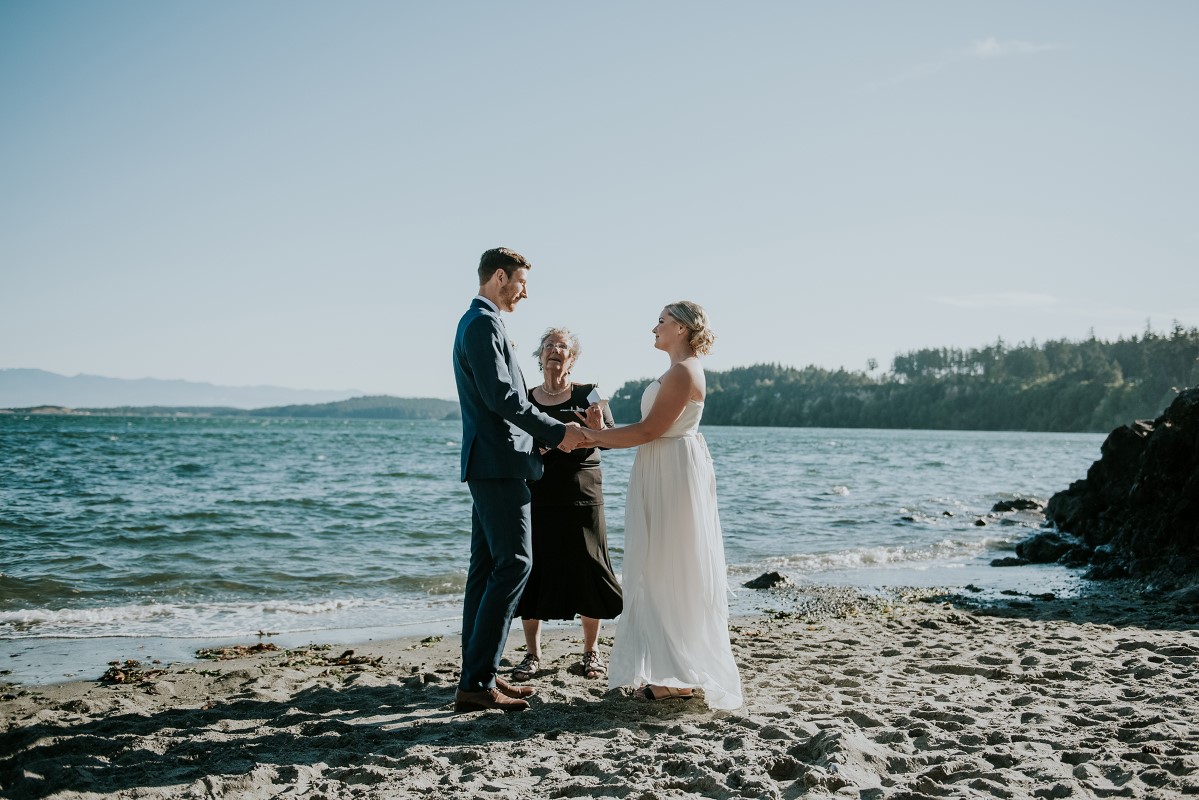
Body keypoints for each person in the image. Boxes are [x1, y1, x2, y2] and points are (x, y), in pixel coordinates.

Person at [582, 301, 743, 709]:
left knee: (667, 566)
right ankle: (674, 671)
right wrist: (604, 431)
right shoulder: (677, 371)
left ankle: (678, 676)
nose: (653, 327)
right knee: (662, 566)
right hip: (665, 465)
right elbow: (649, 430)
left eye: (661, 321)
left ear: (683, 329)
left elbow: (652, 430)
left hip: (671, 472)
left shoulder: (683, 372)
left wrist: (589, 438)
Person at [451, 247, 587, 713]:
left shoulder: (479, 322)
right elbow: (502, 397)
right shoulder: (483, 323)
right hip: (498, 464)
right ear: (500, 277)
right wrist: (556, 431)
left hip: (495, 461)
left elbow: (502, 402)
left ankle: (478, 676)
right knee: (515, 565)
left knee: (487, 570)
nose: (526, 292)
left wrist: (540, 440)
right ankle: (476, 683)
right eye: (522, 283)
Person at [511, 327, 623, 684]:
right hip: (539, 491)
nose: (555, 351)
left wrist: (596, 429)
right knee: (535, 569)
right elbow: (513, 444)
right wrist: (539, 448)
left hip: (583, 491)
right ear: (540, 357)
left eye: (562, 347)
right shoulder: (525, 398)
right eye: (549, 346)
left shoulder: (591, 393)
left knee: (590, 567)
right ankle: (532, 655)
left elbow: (610, 439)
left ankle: (591, 652)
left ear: (571, 359)